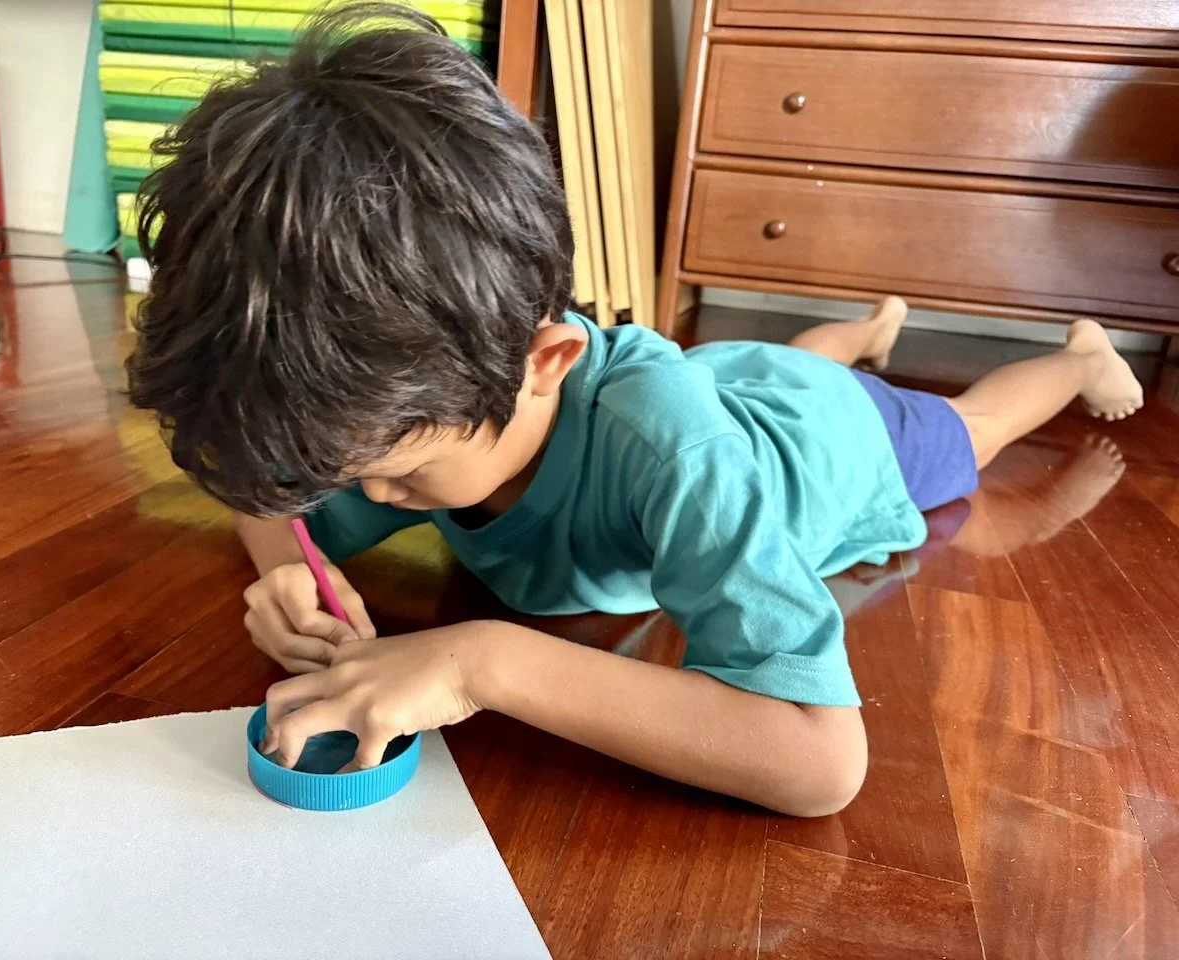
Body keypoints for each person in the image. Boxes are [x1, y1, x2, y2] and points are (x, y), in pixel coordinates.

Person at [125, 3, 1143, 816]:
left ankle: (1072, 358)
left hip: (835, 441)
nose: (365, 498)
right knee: (783, 362)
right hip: (730, 379)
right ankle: (861, 330)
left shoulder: (670, 452)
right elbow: (270, 499)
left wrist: (480, 661)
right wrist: (284, 570)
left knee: (970, 432)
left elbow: (819, 762)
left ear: (544, 362)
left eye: (393, 477)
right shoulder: (413, 397)